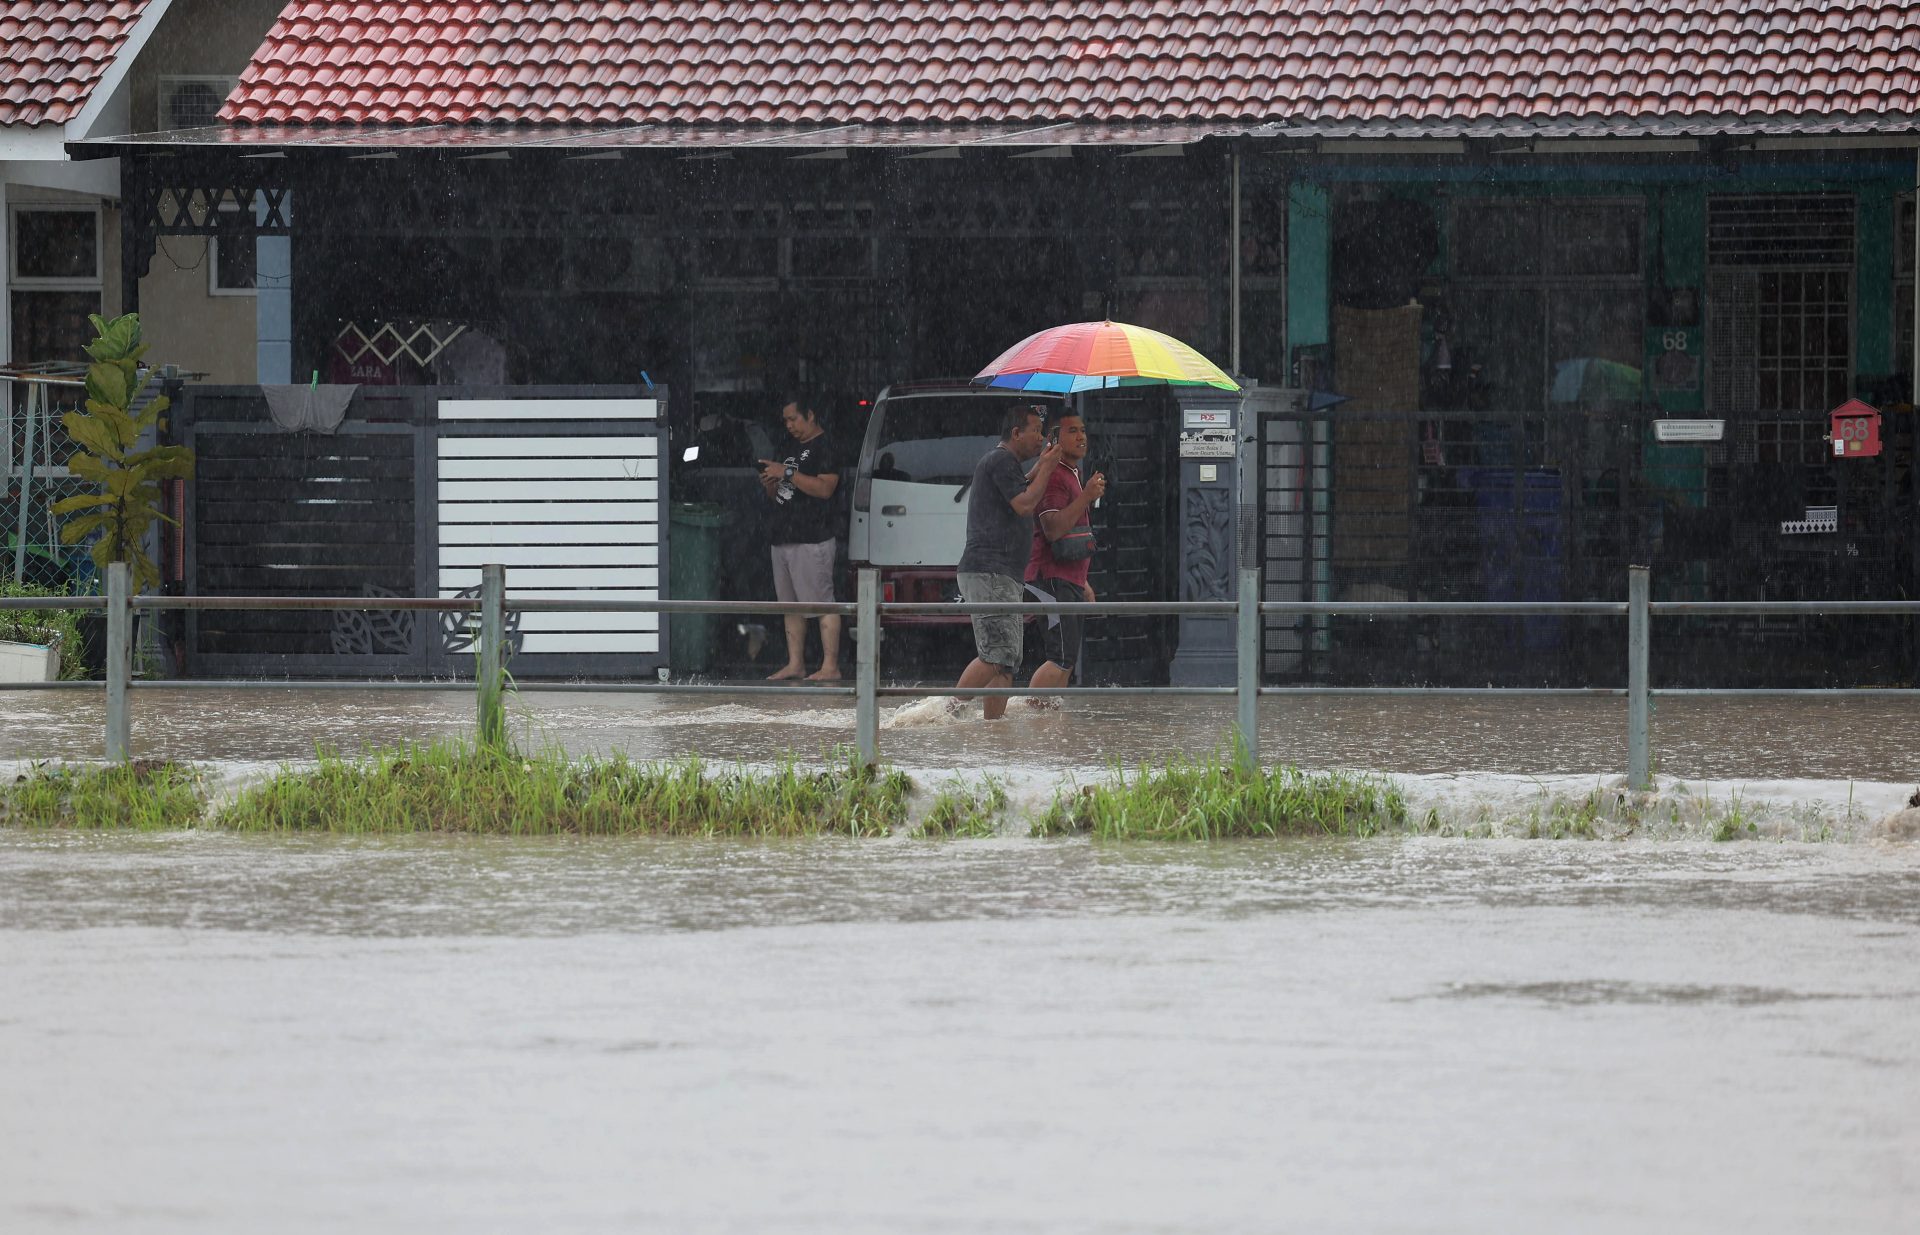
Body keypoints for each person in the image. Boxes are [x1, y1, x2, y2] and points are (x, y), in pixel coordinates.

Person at [952, 404, 1063, 719]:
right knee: (995, 655)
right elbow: (1026, 503)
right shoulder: (1001, 459)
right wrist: (1049, 470)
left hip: (1001, 574)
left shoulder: (1005, 464)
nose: (1040, 439)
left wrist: (1040, 467)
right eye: (1036, 432)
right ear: (1016, 433)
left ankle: (993, 728)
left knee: (1006, 659)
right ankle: (947, 713)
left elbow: (1020, 488)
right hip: (991, 572)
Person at [757, 394, 842, 680]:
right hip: (783, 534)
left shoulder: (826, 446)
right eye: (786, 420)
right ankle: (796, 663)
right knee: (789, 605)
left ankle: (830, 666)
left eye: (794, 419)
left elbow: (825, 488)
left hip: (812, 536)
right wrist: (771, 482)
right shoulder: (788, 447)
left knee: (822, 602)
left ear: (811, 415)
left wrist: (787, 473)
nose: (789, 425)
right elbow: (779, 493)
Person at [1024, 410, 1106, 701]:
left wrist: (1082, 580)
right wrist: (1086, 496)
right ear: (1055, 439)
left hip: (1068, 579)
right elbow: (1053, 529)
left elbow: (1073, 535)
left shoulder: (1072, 472)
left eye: (1083, 430)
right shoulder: (1054, 475)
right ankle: (1031, 722)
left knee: (1067, 658)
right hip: (1050, 580)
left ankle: (1050, 727)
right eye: (1072, 431)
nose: (1081, 436)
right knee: (1059, 656)